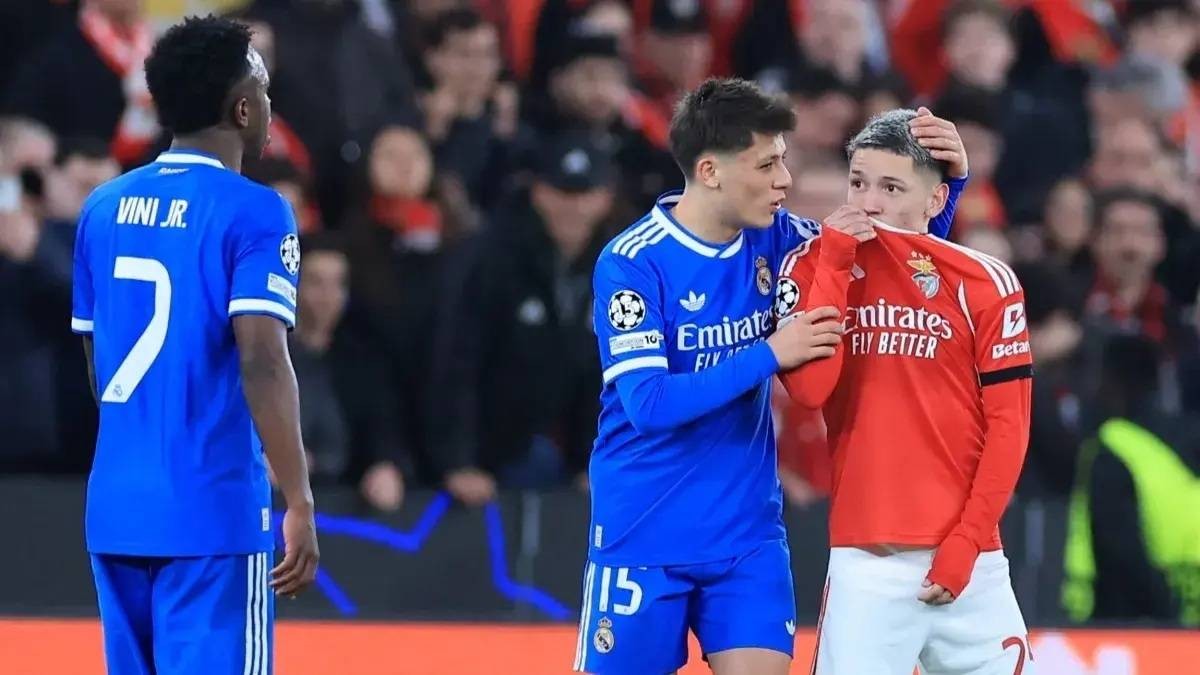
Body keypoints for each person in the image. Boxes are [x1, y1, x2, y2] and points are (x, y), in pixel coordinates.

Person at [574, 78, 966, 675]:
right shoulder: (634, 261)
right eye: (767, 164)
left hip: (747, 537)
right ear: (710, 171)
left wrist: (947, 186)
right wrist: (769, 353)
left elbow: (900, 272)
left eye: (784, 159)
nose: (785, 179)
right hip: (645, 532)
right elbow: (649, 404)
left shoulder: (780, 240)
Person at [70, 16, 318, 674]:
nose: (269, 103)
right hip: (212, 509)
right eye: (263, 89)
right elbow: (262, 360)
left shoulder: (102, 207)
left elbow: (97, 364)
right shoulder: (256, 210)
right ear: (243, 109)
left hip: (118, 507)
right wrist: (298, 498)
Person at [776, 109, 1034, 674]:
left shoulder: (986, 281)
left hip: (973, 562)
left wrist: (967, 543)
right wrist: (836, 263)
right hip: (866, 565)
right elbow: (810, 391)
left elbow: (1010, 427)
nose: (868, 203)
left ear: (936, 200)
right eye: (859, 183)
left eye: (891, 188)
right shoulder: (809, 267)